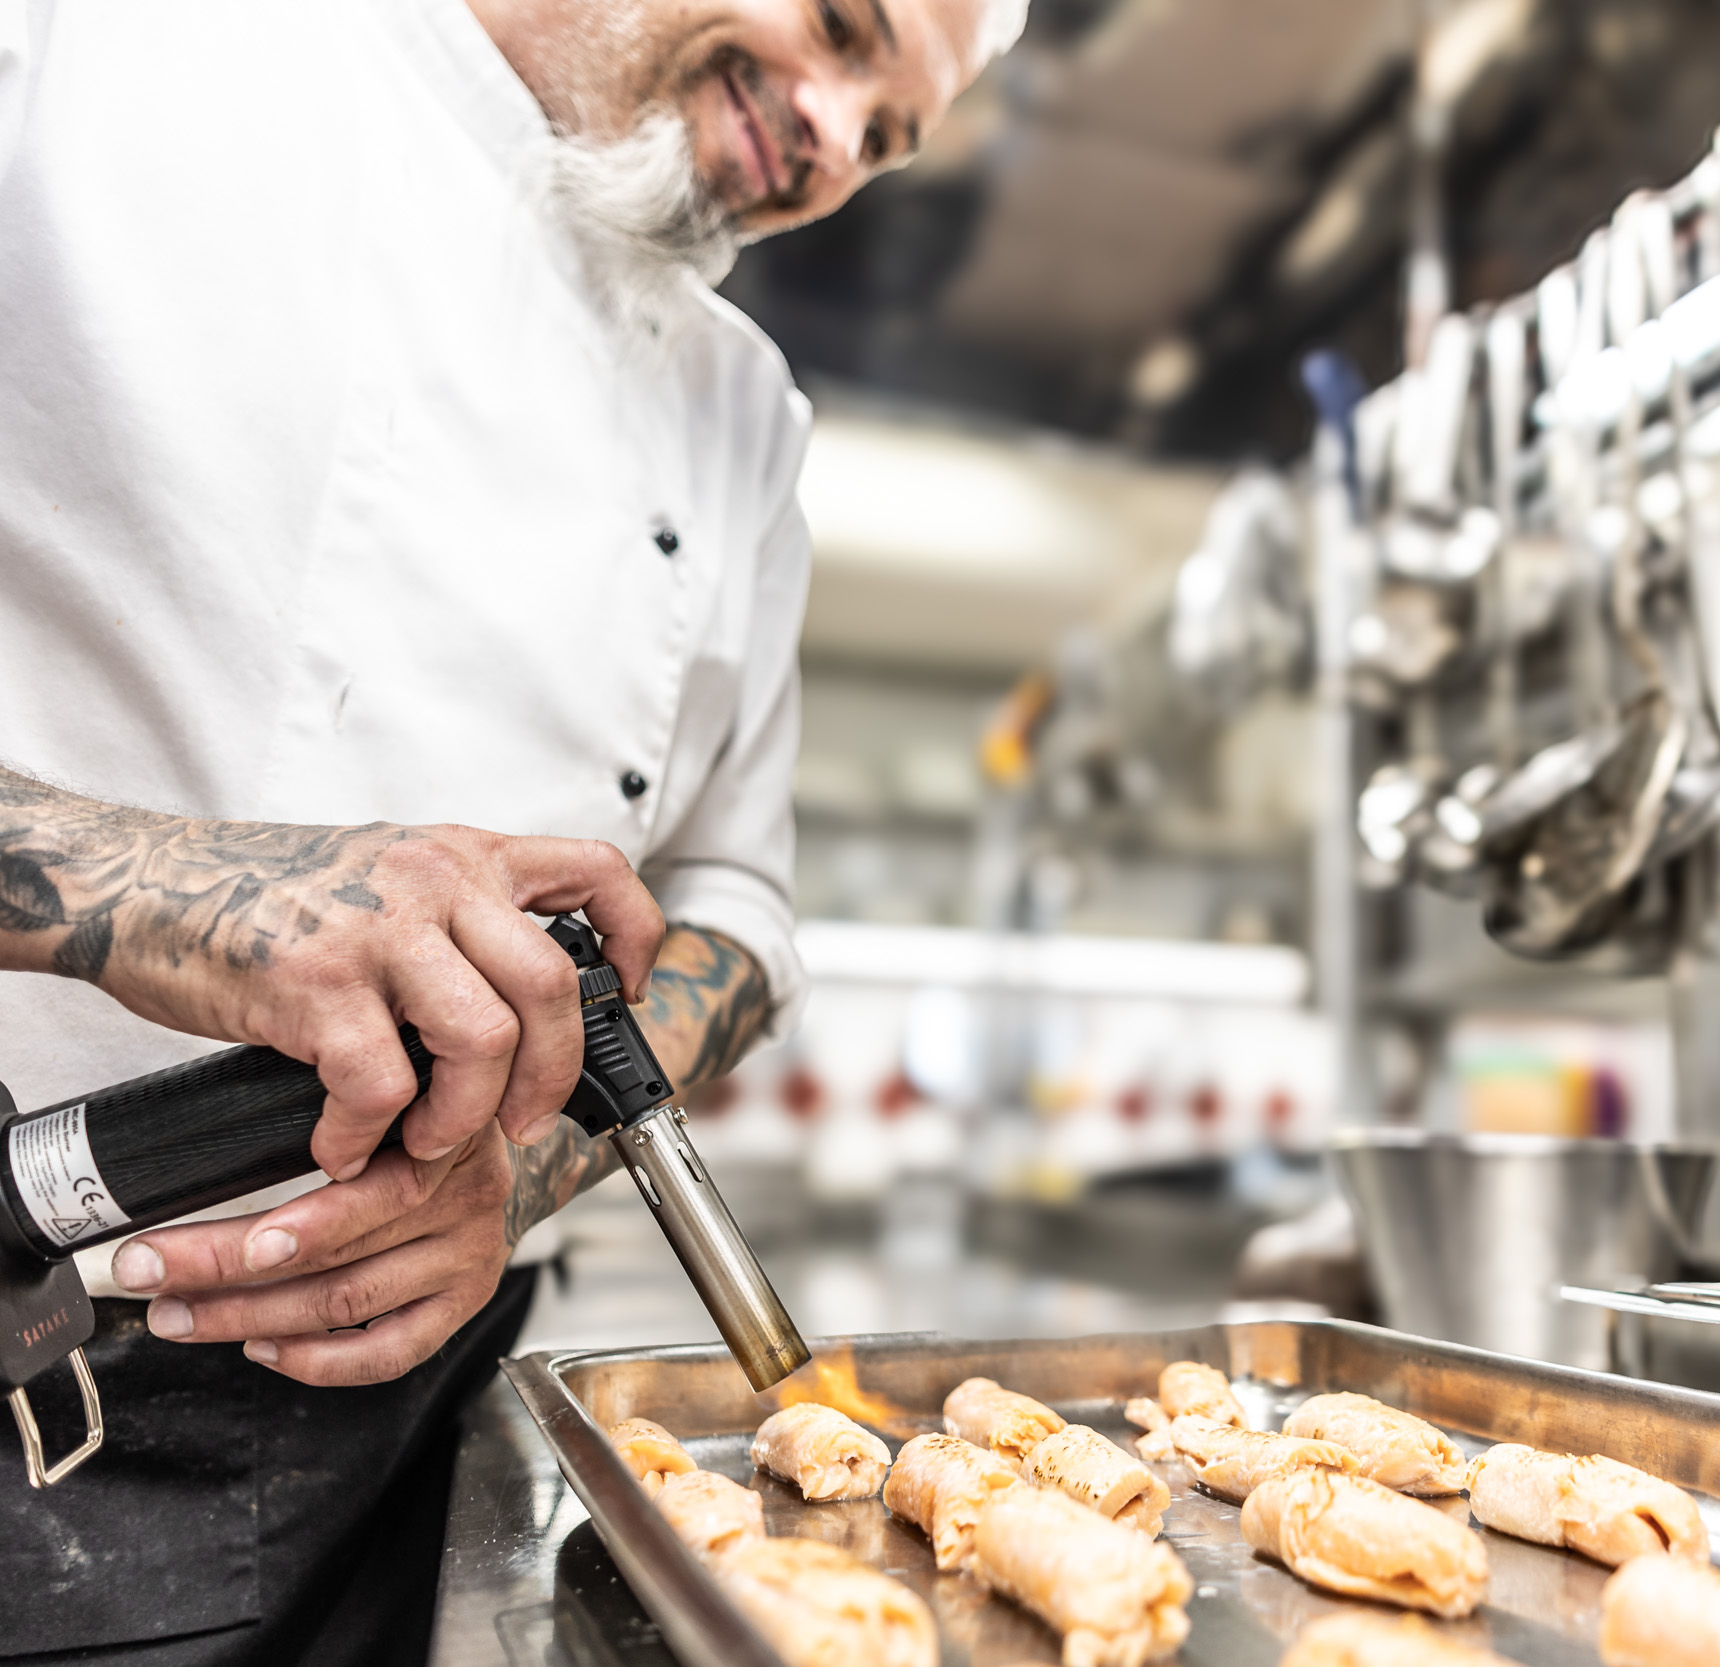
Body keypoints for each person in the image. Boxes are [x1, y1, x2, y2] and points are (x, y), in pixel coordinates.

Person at [0, 0, 1021, 1658]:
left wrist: (521, 1160)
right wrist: (176, 882)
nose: (835, 134)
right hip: (41, 1342)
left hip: (426, 1389)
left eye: (891, 134)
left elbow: (739, 909)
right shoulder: (102, 50)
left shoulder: (747, 414)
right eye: (843, 29)